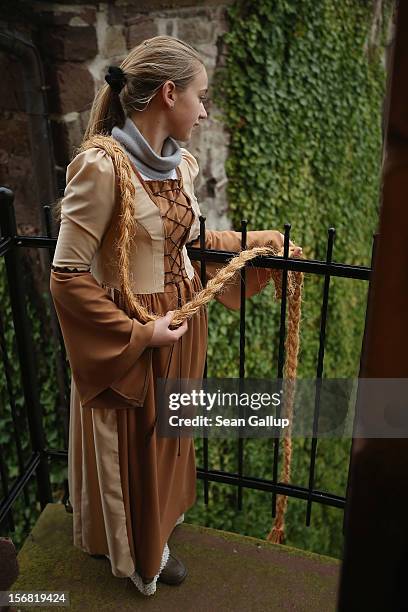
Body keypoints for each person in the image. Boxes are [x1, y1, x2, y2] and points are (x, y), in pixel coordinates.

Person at [49, 35, 302, 597]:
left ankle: (160, 530)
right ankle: (143, 551)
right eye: (200, 96)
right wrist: (140, 332)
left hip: (184, 327)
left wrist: (256, 245)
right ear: (169, 93)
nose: (205, 110)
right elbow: (66, 277)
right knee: (139, 445)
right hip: (139, 335)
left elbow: (181, 245)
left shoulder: (178, 166)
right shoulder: (101, 166)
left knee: (172, 441)